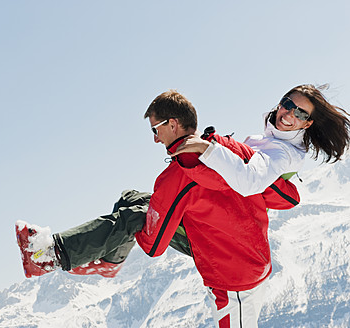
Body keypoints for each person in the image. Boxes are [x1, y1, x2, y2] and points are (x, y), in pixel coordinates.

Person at [16, 90, 302, 327]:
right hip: (253, 253)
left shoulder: (176, 178)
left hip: (234, 277)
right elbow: (287, 197)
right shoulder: (231, 149)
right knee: (133, 199)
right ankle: (108, 261)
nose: (155, 138)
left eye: (156, 129)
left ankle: (48, 256)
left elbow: (154, 246)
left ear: (173, 124)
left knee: (135, 215)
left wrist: (146, 223)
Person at [172, 84, 350, 196]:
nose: (289, 114)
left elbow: (249, 184)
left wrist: (207, 149)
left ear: (307, 124)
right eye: (287, 104)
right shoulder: (266, 140)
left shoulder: (285, 153)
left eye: (300, 113)